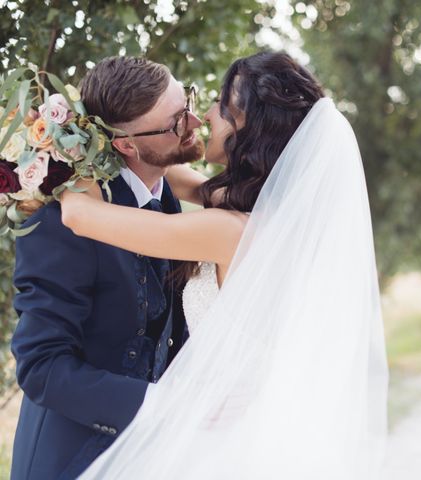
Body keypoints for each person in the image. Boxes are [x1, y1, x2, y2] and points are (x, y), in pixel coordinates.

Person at [62, 51, 388, 479]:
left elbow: (79, 216)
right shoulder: (274, 220)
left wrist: (56, 149)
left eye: (222, 107)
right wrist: (127, 145)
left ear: (250, 134)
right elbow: (174, 178)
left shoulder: (229, 233)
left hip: (219, 442)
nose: (206, 116)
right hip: (245, 433)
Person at [10, 56, 206, 479]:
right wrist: (161, 406)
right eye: (176, 122)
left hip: (153, 457)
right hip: (74, 462)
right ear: (125, 145)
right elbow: (41, 367)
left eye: (186, 102)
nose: (194, 122)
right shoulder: (61, 223)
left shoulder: (167, 199)